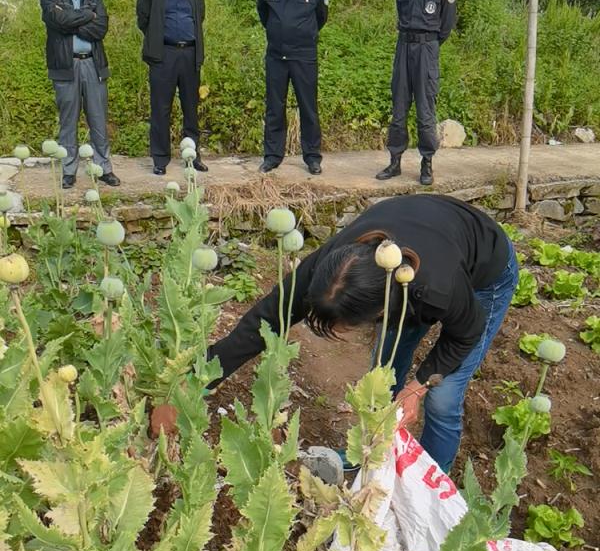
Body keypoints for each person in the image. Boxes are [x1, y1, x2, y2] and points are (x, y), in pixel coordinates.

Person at [208, 195, 518, 473]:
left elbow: (466, 333)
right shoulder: (336, 269)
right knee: (382, 376)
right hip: (428, 239)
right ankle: (368, 455)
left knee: (442, 397)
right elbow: (265, 320)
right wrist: (192, 383)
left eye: (348, 324)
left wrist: (417, 387)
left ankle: (431, 483)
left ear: (379, 311)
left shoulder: (434, 288)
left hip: (486, 271)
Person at [377, 0, 457, 187]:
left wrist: (430, 43)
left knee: (425, 110)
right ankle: (395, 160)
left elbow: (447, 22)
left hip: (427, 48)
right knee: (399, 108)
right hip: (404, 46)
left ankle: (427, 163)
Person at [40, 0, 120, 189]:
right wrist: (87, 16)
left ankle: (103, 167)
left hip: (93, 65)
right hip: (65, 65)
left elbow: (100, 29)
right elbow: (57, 20)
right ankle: (69, 170)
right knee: (68, 120)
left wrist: (71, 20)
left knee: (98, 118)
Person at [257, 0, 328, 176]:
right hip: (276, 56)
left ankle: (312, 157)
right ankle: (272, 156)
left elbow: (321, 17)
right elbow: (263, 15)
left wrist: (301, 35)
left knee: (308, 107)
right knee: (275, 107)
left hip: (304, 55)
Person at [136, 0, 207, 176]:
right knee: (160, 108)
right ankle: (160, 159)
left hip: (189, 53)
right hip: (163, 54)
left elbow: (200, 18)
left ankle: (192, 155)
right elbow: (143, 20)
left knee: (190, 106)